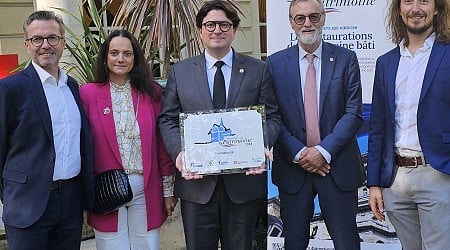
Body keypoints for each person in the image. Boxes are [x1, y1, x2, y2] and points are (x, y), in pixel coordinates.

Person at [158, 1, 280, 249]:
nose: (217, 30)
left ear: (234, 30)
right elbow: (168, 119)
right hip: (197, 187)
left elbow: (272, 117)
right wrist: (180, 153)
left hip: (243, 186)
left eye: (224, 24)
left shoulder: (258, 70)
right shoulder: (180, 72)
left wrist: (260, 145)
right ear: (200, 30)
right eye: (210, 24)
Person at [266, 0, 365, 249]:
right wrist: (301, 154)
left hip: (337, 167)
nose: (307, 23)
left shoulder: (346, 59)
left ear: (323, 18)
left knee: (347, 242)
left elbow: (353, 113)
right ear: (291, 22)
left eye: (313, 17)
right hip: (293, 168)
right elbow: (271, 115)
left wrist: (322, 152)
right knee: (294, 243)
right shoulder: (274, 64)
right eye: (300, 18)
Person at [0, 10, 94, 249]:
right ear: (27, 44)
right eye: (37, 39)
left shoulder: (72, 87)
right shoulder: (10, 88)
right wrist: (13, 196)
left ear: (63, 42)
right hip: (27, 204)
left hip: (70, 202)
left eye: (52, 38)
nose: (45, 45)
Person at [79, 29, 177, 249]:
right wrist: (84, 198)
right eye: (114, 53)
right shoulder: (88, 94)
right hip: (106, 191)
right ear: (105, 57)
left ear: (136, 58)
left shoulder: (151, 93)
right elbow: (82, 149)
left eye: (127, 53)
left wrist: (168, 191)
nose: (120, 59)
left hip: (146, 188)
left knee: (147, 246)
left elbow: (162, 145)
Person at [367, 0, 450, 248]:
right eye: (408, 1)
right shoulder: (386, 62)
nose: (415, 8)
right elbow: (378, 128)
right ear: (399, 10)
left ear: (437, 8)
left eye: (424, 1)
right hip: (395, 180)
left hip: (437, 174)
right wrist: (374, 184)